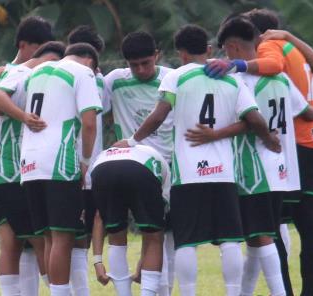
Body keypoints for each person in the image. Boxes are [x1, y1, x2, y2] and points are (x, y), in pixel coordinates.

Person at [114, 24, 280, 296]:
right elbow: (254, 119)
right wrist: (269, 139)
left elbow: (158, 116)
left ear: (180, 54)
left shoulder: (176, 77)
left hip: (188, 173)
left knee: (187, 242)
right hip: (224, 173)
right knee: (230, 240)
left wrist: (133, 141)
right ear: (209, 49)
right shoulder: (231, 79)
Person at [186, 17, 313, 296]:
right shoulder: (281, 78)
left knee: (260, 238)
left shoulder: (240, 80)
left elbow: (251, 121)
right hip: (284, 169)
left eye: (225, 50)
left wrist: (215, 135)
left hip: (254, 171)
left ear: (234, 47)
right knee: (261, 237)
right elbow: (309, 112)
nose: (225, 56)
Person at [12, 44, 102, 296]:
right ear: (89, 62)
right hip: (59, 163)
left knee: (50, 239)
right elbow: (89, 123)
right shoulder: (82, 72)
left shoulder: (36, 73)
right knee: (63, 239)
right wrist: (85, 161)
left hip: (29, 164)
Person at [0, 41, 64, 296]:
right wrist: (24, 116)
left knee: (11, 243)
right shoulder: (25, 74)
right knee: (42, 242)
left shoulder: (5, 74)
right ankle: (61, 290)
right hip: (12, 174)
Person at [101, 31, 175, 296]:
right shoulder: (115, 81)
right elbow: (94, 111)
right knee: (122, 234)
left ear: (158, 55)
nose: (141, 70)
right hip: (129, 164)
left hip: (167, 167)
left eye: (146, 63)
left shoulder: (171, 78)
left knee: (164, 236)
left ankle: (162, 290)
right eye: (134, 65)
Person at [90, 145, 170, 296]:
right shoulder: (162, 166)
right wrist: (144, 262)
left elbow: (99, 217)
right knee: (154, 236)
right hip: (141, 169)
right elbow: (152, 234)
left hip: (102, 168)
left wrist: (97, 261)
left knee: (116, 234)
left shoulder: (106, 154)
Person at [66, 25, 107, 296]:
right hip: (88, 165)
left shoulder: (59, 77)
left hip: (68, 167)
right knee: (85, 235)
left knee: (72, 237)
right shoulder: (97, 81)